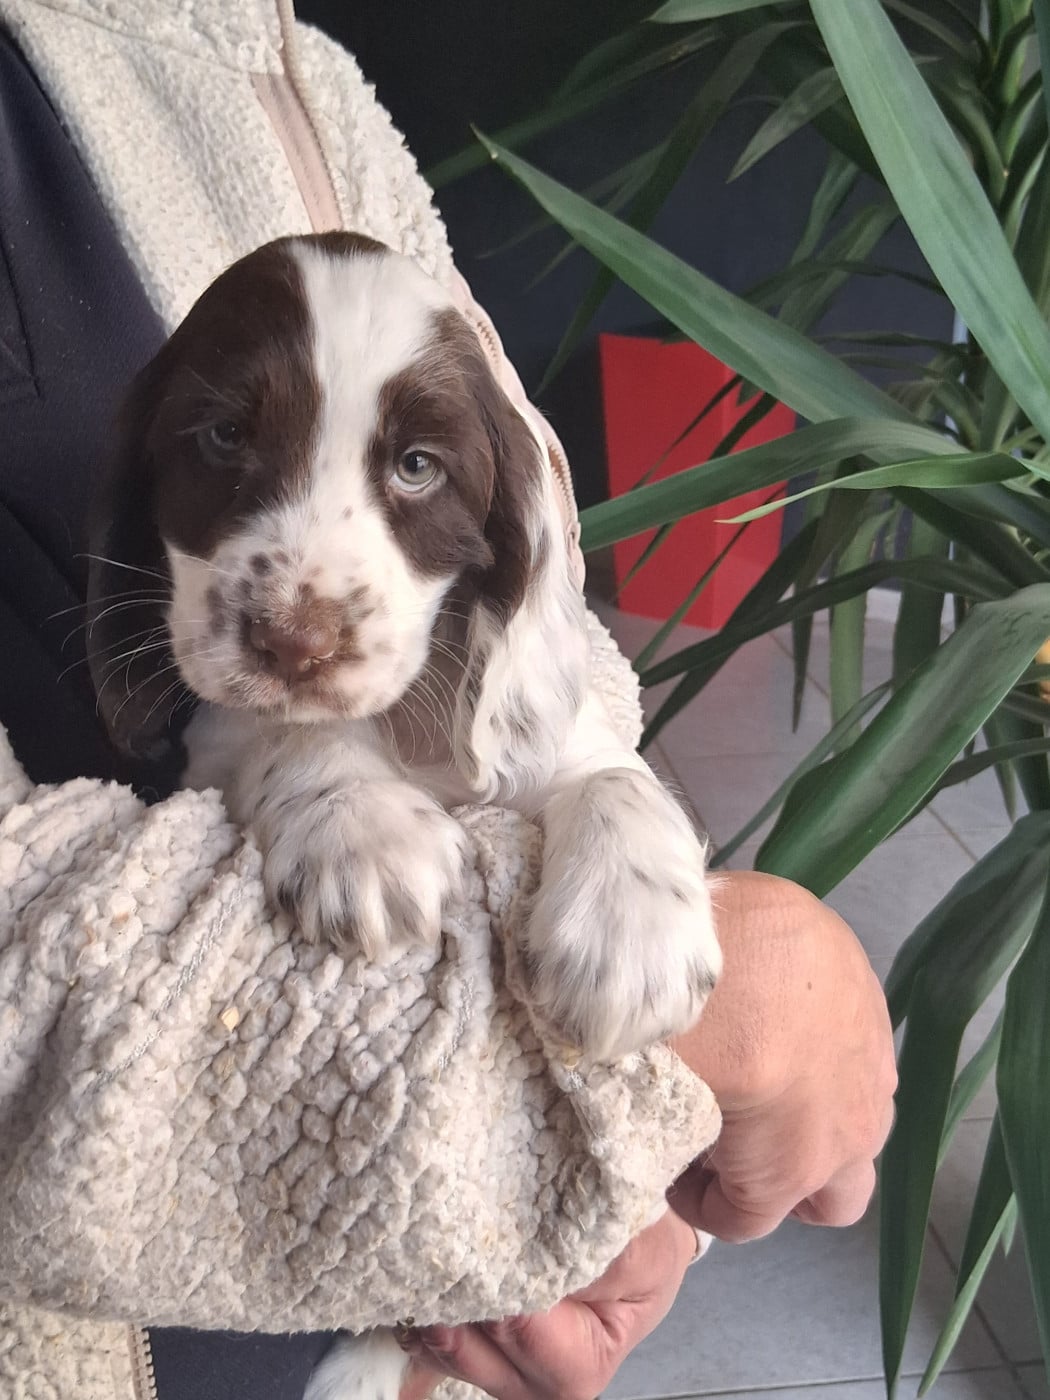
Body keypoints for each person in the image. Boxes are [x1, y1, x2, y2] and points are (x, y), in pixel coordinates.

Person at [0, 2, 896, 1397]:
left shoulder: (289, 62)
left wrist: (630, 1162)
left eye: (412, 466)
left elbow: (566, 677)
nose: (301, 610)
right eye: (227, 437)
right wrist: (697, 1042)